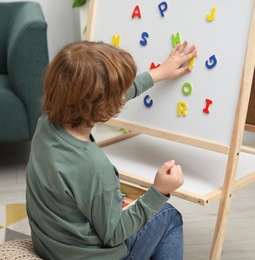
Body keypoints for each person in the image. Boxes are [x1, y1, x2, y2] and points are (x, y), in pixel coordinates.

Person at [26, 40, 197, 260]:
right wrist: (159, 191)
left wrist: (157, 74)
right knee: (169, 216)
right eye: (118, 94)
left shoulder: (45, 125)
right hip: (98, 256)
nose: (122, 97)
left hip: (53, 247)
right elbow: (114, 234)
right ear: (104, 104)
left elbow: (101, 96)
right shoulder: (94, 166)